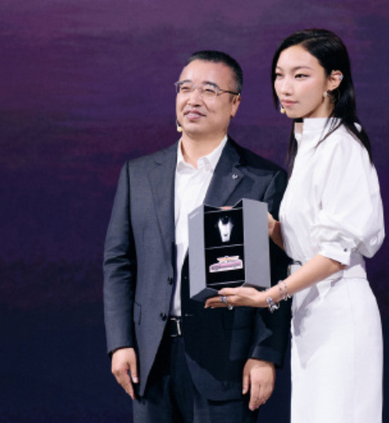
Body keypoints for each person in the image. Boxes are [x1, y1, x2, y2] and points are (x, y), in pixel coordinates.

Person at [206, 29, 385, 422]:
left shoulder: (343, 144)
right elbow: (304, 242)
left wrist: (268, 296)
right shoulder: (308, 143)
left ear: (333, 80)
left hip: (339, 310)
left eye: (300, 75)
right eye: (279, 75)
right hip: (311, 311)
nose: (284, 87)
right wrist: (258, 223)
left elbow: (335, 253)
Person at [103, 50, 291, 423]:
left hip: (226, 362)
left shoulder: (262, 179)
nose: (193, 99)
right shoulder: (138, 175)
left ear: (234, 104)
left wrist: (265, 354)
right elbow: (119, 263)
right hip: (150, 358)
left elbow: (278, 273)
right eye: (185, 88)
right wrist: (120, 342)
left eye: (209, 90)